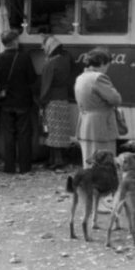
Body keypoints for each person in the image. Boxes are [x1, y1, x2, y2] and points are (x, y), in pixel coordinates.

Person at [0, 29, 36, 174]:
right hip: (23, 101)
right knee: (24, 134)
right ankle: (25, 167)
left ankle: (9, 167)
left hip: (5, 101)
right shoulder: (24, 57)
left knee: (8, 134)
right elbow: (32, 78)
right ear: (15, 41)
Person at [75, 47, 122, 167]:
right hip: (101, 125)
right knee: (104, 163)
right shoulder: (99, 78)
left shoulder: (81, 77)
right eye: (107, 64)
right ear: (101, 63)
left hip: (85, 122)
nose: (107, 68)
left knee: (89, 162)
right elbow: (115, 99)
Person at [39, 35, 80, 170]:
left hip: (52, 99)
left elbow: (46, 85)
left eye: (44, 45)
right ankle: (57, 159)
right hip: (63, 98)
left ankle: (57, 160)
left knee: (51, 131)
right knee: (60, 131)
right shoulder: (65, 59)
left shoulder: (50, 63)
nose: (42, 48)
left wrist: (41, 102)